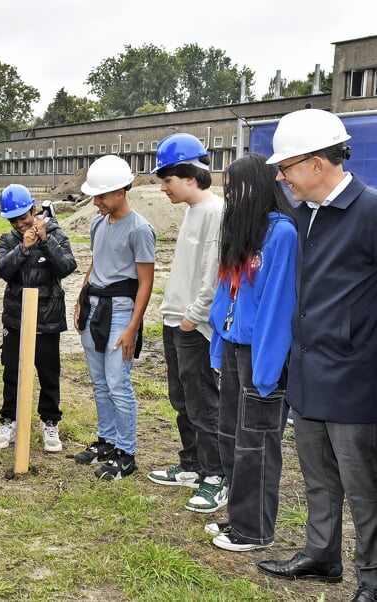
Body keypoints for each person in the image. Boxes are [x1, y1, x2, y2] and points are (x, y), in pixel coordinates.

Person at [256, 110, 377, 602]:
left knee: (364, 487)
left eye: (287, 166)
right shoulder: (302, 215)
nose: (281, 177)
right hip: (307, 372)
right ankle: (321, 554)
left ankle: (372, 576)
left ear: (319, 162)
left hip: (354, 378)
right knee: (318, 476)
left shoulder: (369, 212)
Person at [201, 153, 296, 552]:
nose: (231, 195)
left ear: (258, 187)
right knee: (231, 437)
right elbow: (227, 294)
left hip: (263, 357)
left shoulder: (282, 234)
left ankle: (255, 530)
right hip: (237, 350)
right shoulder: (245, 231)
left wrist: (267, 371)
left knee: (256, 443)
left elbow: (278, 305)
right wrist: (218, 347)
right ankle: (239, 519)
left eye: (237, 187)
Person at [145, 134, 226, 514]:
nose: (163, 188)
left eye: (167, 180)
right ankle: (192, 464)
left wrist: (195, 316)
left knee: (203, 402)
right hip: (175, 320)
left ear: (190, 175)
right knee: (181, 399)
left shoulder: (215, 212)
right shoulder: (193, 211)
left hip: (194, 325)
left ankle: (216, 475)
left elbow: (214, 273)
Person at [73, 155, 156, 480]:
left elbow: (146, 283)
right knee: (99, 382)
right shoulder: (97, 223)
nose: (96, 202)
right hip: (95, 308)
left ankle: (126, 451)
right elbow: (95, 265)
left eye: (102, 196)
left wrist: (133, 328)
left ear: (122, 191)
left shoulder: (139, 230)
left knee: (118, 383)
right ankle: (106, 441)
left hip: (121, 312)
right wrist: (81, 301)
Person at [0, 184, 76, 452]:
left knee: (49, 373)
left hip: (47, 318)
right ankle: (9, 421)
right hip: (16, 318)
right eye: (13, 220)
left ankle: (50, 422)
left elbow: (66, 266)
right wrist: (24, 249)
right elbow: (2, 270)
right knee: (11, 372)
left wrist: (45, 241)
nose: (19, 224)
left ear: (33, 209)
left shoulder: (55, 233)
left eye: (23, 217)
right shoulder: (9, 240)